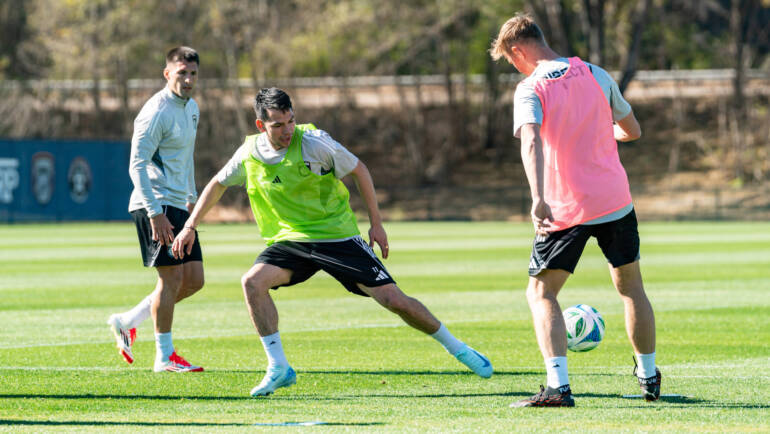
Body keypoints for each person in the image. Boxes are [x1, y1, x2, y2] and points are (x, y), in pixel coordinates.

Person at [172, 87, 493, 396]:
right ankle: (278, 366)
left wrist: (376, 224)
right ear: (260, 125)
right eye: (278, 125)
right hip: (291, 241)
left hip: (337, 236)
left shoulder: (315, 143)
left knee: (394, 301)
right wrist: (190, 226)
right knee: (252, 283)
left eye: (291, 121)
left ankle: (458, 348)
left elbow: (359, 170)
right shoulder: (249, 153)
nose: (287, 130)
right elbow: (217, 183)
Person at [490, 14, 660, 407]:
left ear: (518, 50)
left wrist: (537, 197)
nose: (514, 67)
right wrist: (602, 134)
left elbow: (530, 142)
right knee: (632, 288)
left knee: (541, 292)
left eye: (510, 60)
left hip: (565, 207)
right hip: (615, 201)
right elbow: (632, 130)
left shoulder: (530, 88)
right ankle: (649, 378)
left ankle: (557, 388)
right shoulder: (597, 74)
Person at [107, 46, 205, 373]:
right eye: (181, 73)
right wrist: (154, 212)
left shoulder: (192, 108)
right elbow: (136, 165)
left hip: (178, 203)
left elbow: (185, 157)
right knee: (171, 277)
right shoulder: (156, 111)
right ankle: (165, 356)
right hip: (155, 203)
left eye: (193, 74)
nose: (188, 79)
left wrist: (190, 197)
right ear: (167, 74)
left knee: (194, 279)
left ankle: (127, 321)